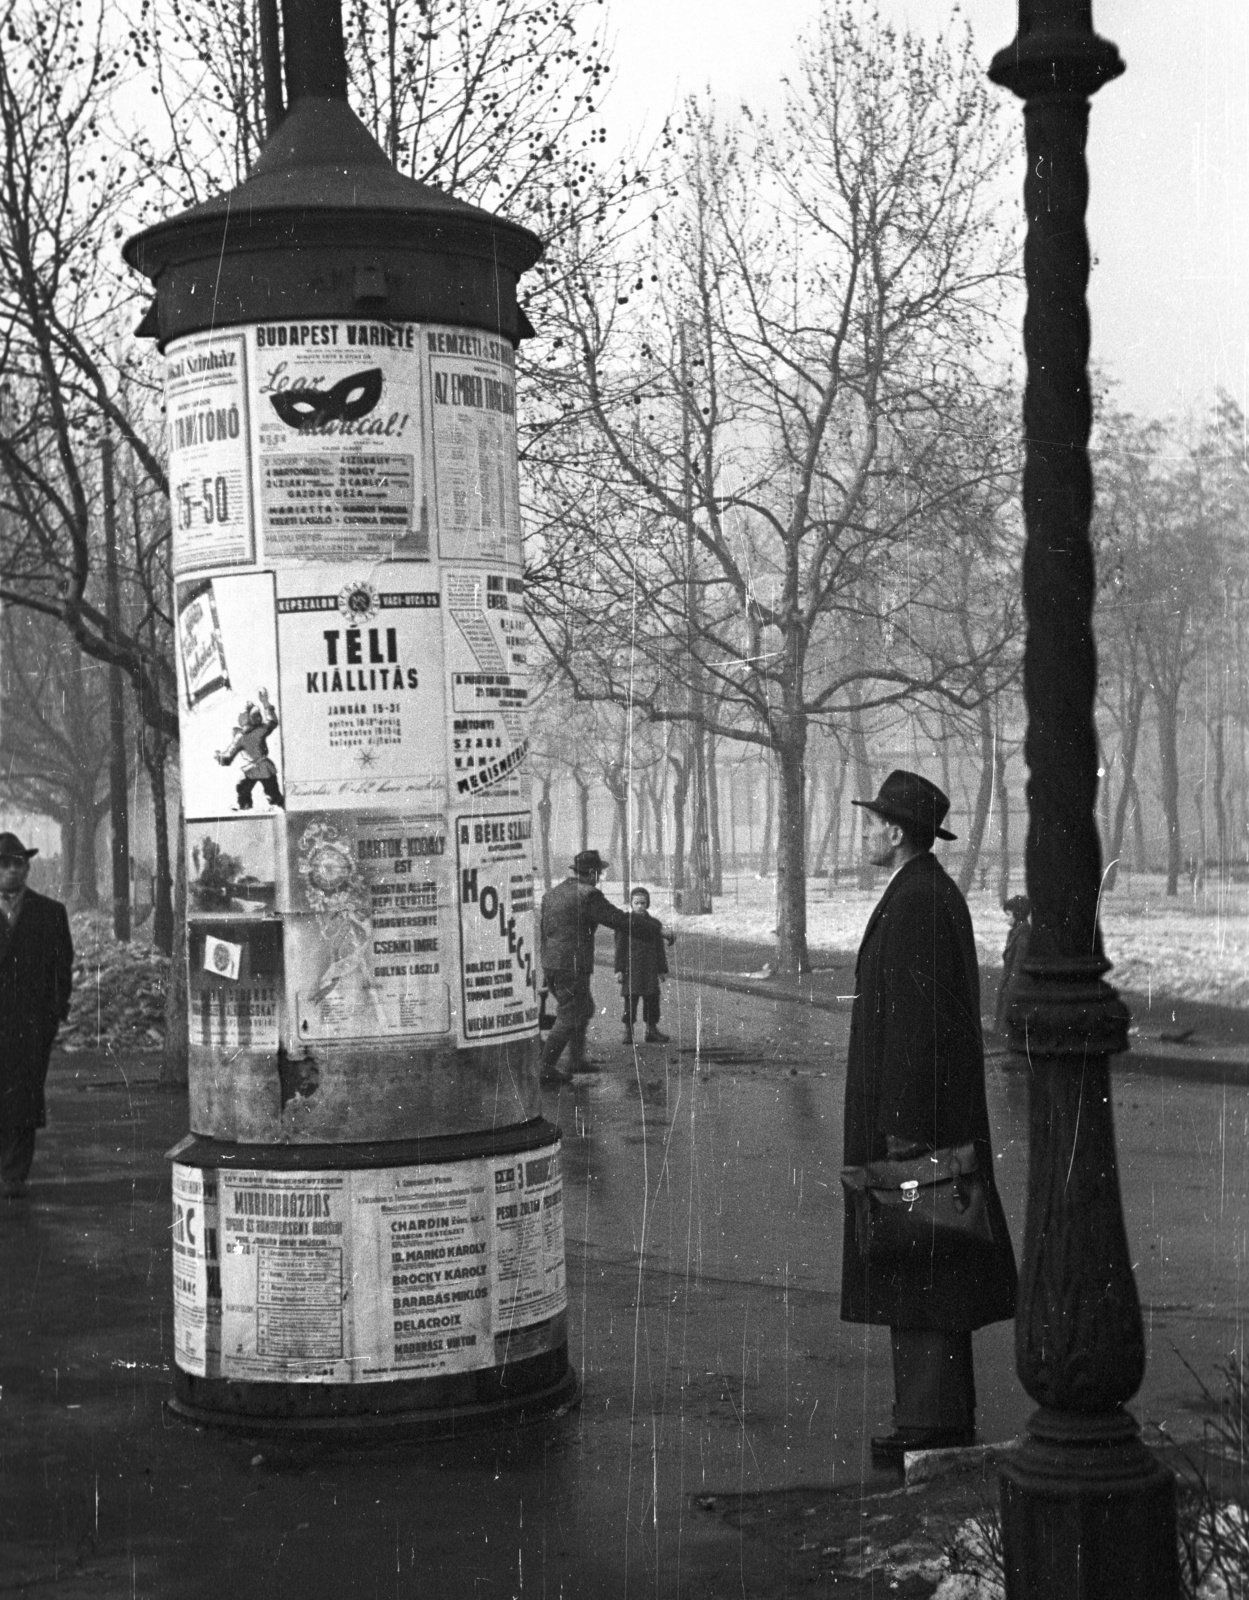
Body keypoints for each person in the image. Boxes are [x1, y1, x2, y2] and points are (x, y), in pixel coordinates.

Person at [840, 771, 1017, 1467]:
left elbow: (916, 1027)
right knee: (923, 1263)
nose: (862, 835)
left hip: (914, 1121)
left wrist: (903, 1129)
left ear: (892, 832)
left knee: (915, 1259)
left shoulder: (916, 900)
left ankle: (929, 1420)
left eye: (868, 825)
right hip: (922, 1116)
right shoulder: (925, 893)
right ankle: (929, 1413)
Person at [538, 851, 662, 1083]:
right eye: (599, 873)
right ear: (593, 873)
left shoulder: (553, 893)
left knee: (582, 1007)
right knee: (571, 1012)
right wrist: (655, 930)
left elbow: (546, 932)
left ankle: (576, 1059)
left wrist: (547, 970)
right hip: (572, 964)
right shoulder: (588, 895)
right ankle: (545, 1067)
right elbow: (618, 920)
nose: (600, 877)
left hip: (554, 962)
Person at [0, 833, 74, 1198]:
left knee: (25, 1096)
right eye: (5, 864)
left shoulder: (50, 912)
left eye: (19, 863)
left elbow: (63, 967)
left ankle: (14, 1173)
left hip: (31, 1024)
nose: (13, 871)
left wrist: (54, 1014)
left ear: (27, 867)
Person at [614, 886, 671, 1044]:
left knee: (652, 999)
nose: (640, 906)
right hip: (631, 969)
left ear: (647, 904)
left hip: (649, 969)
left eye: (643, 903)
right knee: (630, 1000)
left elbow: (659, 949)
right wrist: (619, 969)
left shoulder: (654, 924)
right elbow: (620, 948)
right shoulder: (625, 923)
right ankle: (628, 1031)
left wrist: (661, 970)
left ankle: (651, 1030)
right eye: (636, 903)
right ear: (631, 904)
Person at [215, 688, 284, 809]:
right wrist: (265, 702)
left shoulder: (251, 733)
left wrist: (219, 757)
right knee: (244, 788)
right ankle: (246, 806)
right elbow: (228, 757)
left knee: (267, 792)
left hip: (259, 767)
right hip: (261, 768)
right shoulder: (246, 735)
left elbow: (228, 757)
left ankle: (274, 805)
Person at [994, 894, 1031, 1036]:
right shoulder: (1015, 933)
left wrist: (1009, 995)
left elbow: (1017, 969)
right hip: (1008, 990)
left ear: (1017, 914)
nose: (1006, 918)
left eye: (1008, 914)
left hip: (1013, 994)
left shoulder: (1023, 937)